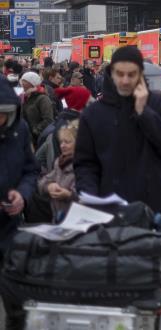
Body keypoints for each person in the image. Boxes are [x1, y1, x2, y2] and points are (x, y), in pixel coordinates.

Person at [73, 46, 161, 242]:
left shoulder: (158, 104)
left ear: (140, 74)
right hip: (110, 212)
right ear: (111, 73)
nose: (125, 80)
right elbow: (85, 163)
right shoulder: (94, 113)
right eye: (120, 74)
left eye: (131, 75)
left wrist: (145, 113)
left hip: (157, 209)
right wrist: (90, 197)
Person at [0, 75, 40, 329]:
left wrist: (22, 194)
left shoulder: (19, 130)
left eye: (3, 114)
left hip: (9, 227)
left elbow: (31, 169)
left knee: (16, 297)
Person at [38, 120, 79, 221]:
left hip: (76, 216)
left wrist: (69, 195)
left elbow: (87, 193)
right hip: (58, 215)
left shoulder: (83, 165)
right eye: (61, 142)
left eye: (67, 142)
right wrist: (49, 186)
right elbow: (43, 181)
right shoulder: (59, 162)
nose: (62, 145)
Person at [20, 71, 55, 147]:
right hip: (26, 138)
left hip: (38, 139)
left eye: (25, 81)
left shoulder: (42, 98)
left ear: (32, 83)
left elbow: (49, 120)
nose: (22, 83)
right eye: (22, 80)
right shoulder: (24, 97)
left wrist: (34, 131)